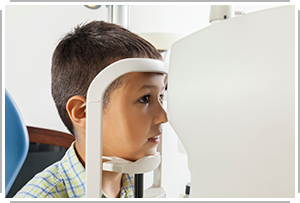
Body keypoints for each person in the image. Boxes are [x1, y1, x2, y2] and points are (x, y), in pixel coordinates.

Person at [14, 20, 168, 198]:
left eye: (161, 97)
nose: (163, 116)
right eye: (145, 98)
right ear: (83, 112)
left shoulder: (131, 184)